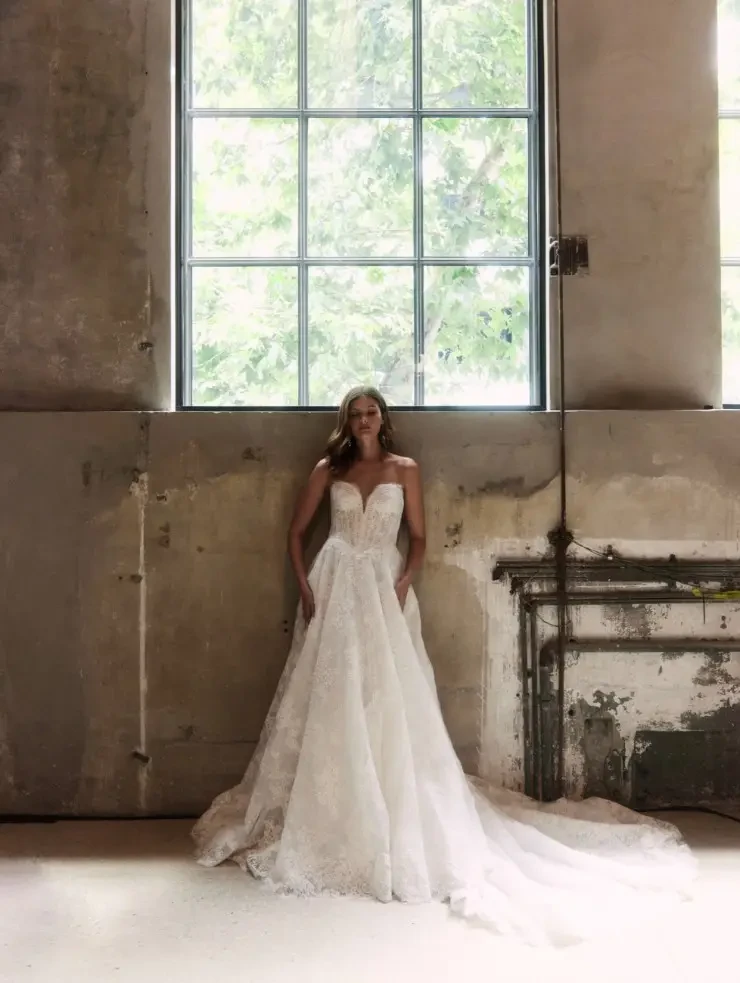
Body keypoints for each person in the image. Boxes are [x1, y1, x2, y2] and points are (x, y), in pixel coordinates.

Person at [192, 386, 695, 945]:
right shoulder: (327, 469)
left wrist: (404, 580)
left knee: (389, 694)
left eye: (370, 412)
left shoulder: (405, 468)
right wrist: (306, 586)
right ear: (346, 421)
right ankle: (332, 807)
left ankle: (390, 804)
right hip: (335, 583)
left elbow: (421, 537)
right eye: (354, 414)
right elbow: (294, 533)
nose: (363, 421)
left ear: (383, 418)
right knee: (331, 691)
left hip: (384, 585)